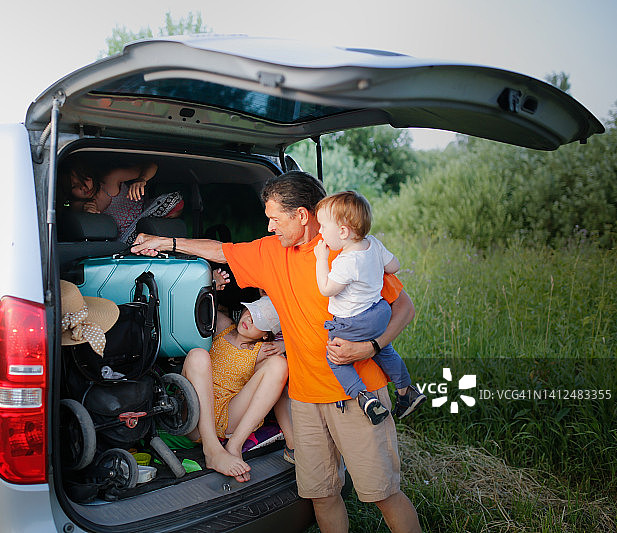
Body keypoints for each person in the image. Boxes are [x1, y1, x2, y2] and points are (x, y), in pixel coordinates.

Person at [131, 170, 421, 533]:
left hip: (357, 394)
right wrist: (163, 241)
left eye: (275, 219)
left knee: (383, 494)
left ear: (301, 215)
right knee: (322, 495)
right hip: (305, 399)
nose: (269, 227)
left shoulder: (350, 250)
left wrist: (370, 346)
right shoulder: (272, 251)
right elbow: (220, 250)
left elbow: (404, 307)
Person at [314, 192, 426, 424]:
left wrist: (321, 259)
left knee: (334, 357)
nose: (320, 232)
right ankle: (406, 390)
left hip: (353, 322)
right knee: (385, 350)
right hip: (380, 313)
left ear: (343, 232)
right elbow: (394, 266)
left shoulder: (346, 261)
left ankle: (363, 397)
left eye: (323, 226)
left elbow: (326, 289)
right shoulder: (373, 243)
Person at [183, 270, 293, 483]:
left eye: (259, 321)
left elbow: (300, 347)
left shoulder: (262, 350)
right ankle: (212, 450)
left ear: (266, 335)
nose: (249, 319)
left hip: (228, 417)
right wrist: (212, 286)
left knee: (280, 364)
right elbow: (199, 307)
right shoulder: (224, 327)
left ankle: (234, 445)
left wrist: (284, 345)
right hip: (195, 415)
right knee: (198, 355)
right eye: (251, 311)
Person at [57, 154, 182, 243]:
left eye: (85, 179)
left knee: (175, 202)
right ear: (67, 191)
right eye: (75, 186)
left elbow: (151, 165)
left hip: (148, 215)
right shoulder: (77, 206)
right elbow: (76, 211)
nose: (84, 187)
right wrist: (87, 214)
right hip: (126, 240)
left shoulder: (110, 179)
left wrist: (141, 180)